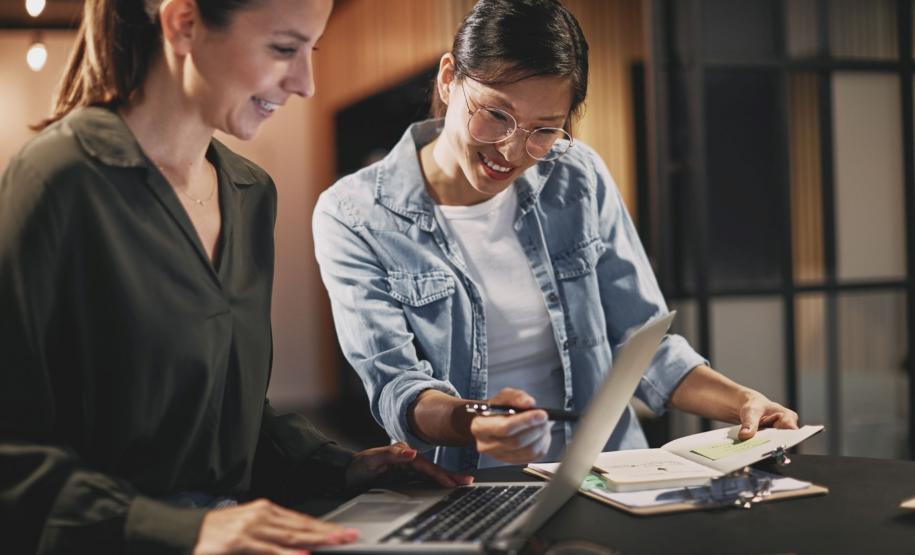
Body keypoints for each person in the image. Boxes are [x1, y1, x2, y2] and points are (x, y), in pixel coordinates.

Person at [0, 0, 470, 553]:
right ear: (184, 25)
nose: (305, 83)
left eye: (309, 50)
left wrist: (345, 468)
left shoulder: (250, 192)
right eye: (283, 48)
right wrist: (187, 529)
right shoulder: (56, 181)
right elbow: (13, 458)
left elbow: (226, 415)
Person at [313, 0, 799, 473]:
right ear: (447, 78)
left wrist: (742, 402)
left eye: (544, 129)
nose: (511, 150)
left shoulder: (576, 176)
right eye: (496, 114)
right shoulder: (356, 214)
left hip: (604, 469)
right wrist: (475, 420)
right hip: (466, 482)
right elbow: (396, 386)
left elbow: (642, 343)